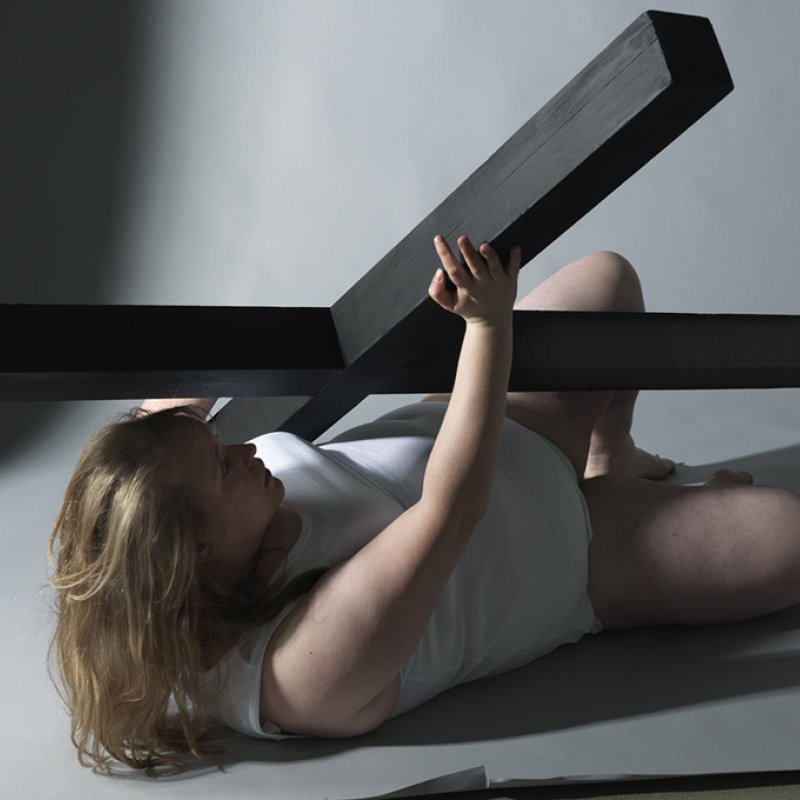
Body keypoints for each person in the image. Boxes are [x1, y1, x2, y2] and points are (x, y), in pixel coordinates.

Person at [48, 236, 800, 773]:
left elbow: (175, 411)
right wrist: (485, 327)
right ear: (202, 548)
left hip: (486, 422)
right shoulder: (295, 672)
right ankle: (630, 505)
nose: (244, 447)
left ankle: (613, 460)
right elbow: (452, 509)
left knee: (607, 279)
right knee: (791, 538)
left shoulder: (144, 519)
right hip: (580, 551)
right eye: (222, 464)